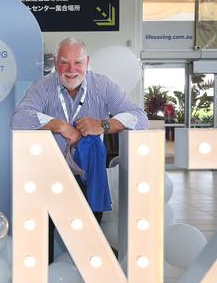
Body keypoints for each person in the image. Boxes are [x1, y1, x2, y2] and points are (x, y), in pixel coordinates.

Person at [12, 37, 148, 261]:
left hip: (88, 177)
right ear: (56, 63)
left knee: (89, 242)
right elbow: (19, 118)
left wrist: (102, 124)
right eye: (64, 62)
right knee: (41, 242)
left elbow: (140, 118)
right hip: (50, 176)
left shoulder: (103, 85)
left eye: (78, 62)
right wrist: (60, 126)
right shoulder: (44, 86)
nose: (71, 70)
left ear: (88, 61)